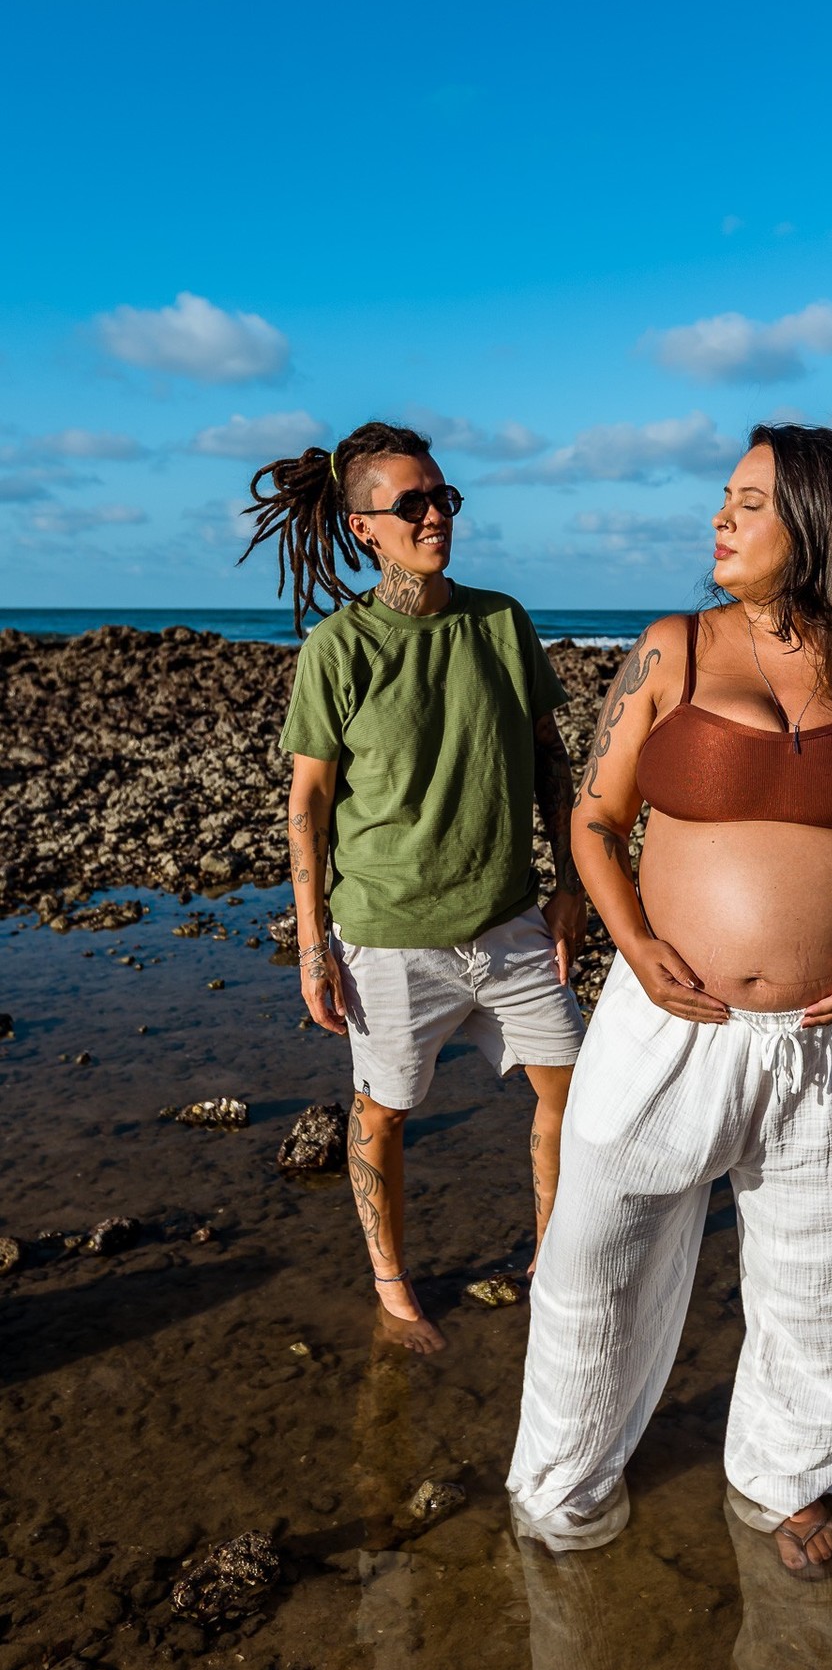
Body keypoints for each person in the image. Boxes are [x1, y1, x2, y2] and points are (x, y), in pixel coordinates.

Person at [507, 423, 832, 1571]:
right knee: (595, 1254)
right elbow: (591, 818)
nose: (719, 519)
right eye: (725, 498)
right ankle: (567, 1488)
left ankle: (786, 1481)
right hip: (667, 1027)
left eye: (751, 502)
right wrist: (630, 938)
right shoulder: (672, 649)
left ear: (819, 525)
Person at [240, 421, 587, 1352]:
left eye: (445, 497)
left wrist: (572, 889)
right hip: (388, 937)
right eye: (413, 504)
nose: (437, 515)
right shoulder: (339, 649)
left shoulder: (500, 621)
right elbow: (307, 805)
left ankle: (554, 1255)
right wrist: (313, 947)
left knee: (577, 1096)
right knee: (383, 1112)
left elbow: (554, 766)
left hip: (510, 919)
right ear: (364, 526)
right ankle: (393, 1284)